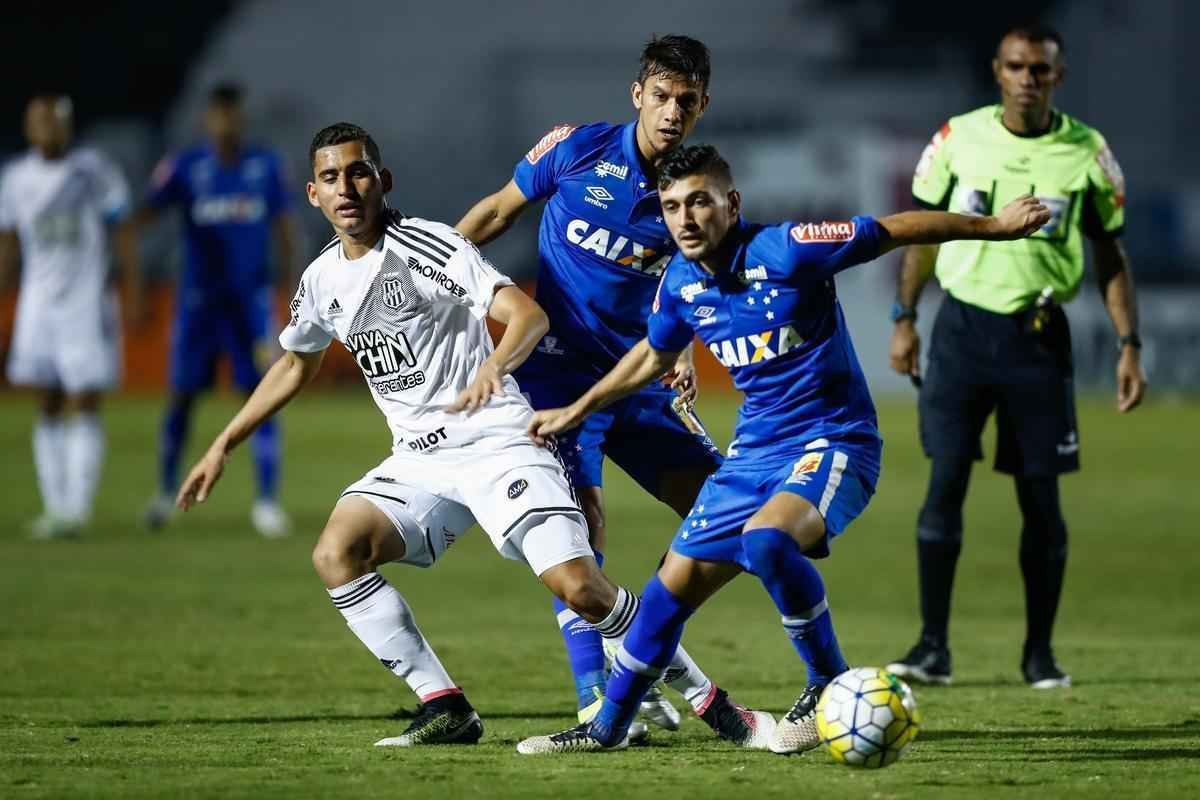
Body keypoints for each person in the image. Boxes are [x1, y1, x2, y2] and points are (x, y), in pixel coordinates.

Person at [174, 123, 770, 748]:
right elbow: (296, 364)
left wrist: (495, 364)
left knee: (581, 589)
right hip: (419, 461)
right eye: (331, 178)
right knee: (336, 553)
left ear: (382, 181)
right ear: (313, 194)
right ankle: (446, 706)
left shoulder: (429, 246)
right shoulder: (322, 280)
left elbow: (527, 316)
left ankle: (711, 703)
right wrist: (223, 444)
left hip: (497, 442)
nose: (346, 188)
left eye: (358, 173)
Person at [514, 144, 1050, 755]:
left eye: (699, 202)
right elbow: (653, 355)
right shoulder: (681, 283)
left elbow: (895, 229)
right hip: (754, 455)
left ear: (731, 203)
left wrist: (994, 227)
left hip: (835, 439)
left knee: (766, 540)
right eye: (671, 206)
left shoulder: (789, 248)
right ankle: (605, 729)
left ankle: (827, 681)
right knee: (666, 594)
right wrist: (578, 409)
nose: (685, 218)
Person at [456, 34, 724, 730]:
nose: (672, 112)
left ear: (702, 107)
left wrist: (682, 346)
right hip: (558, 374)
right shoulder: (576, 149)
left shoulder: (695, 189)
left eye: (686, 101)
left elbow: (697, 276)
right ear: (638, 94)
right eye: (661, 96)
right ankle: (594, 696)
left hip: (639, 376)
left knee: (727, 514)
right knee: (583, 522)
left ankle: (633, 648)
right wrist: (433, 273)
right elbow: (497, 211)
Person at [884, 25, 1146, 690]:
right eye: (1017, 66)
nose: (1028, 78)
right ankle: (932, 648)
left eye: (1041, 69)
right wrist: (904, 318)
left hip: (1038, 338)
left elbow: (1110, 253)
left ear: (1058, 77)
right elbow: (921, 234)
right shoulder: (957, 138)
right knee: (945, 486)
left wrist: (1129, 344)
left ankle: (1039, 654)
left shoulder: (1087, 152)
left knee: (1041, 500)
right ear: (997, 71)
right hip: (962, 331)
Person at [141, 83, 298, 537]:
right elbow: (145, 214)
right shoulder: (185, 166)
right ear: (207, 119)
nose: (226, 122)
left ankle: (266, 502)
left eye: (233, 114)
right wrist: (138, 277)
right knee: (182, 394)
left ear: (241, 118)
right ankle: (165, 492)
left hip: (250, 304)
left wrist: (292, 292)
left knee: (264, 395)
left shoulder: (266, 166)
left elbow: (286, 229)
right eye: (219, 114)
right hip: (198, 305)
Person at [0, 94, 140, 538]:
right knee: (47, 401)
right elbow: (8, 241)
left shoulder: (92, 170)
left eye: (53, 121)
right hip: (38, 303)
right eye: (38, 121)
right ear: (28, 127)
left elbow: (123, 227)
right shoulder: (15, 178)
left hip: (85, 302)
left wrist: (132, 289)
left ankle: (77, 510)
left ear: (67, 125)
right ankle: (54, 507)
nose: (46, 128)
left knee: (83, 399)